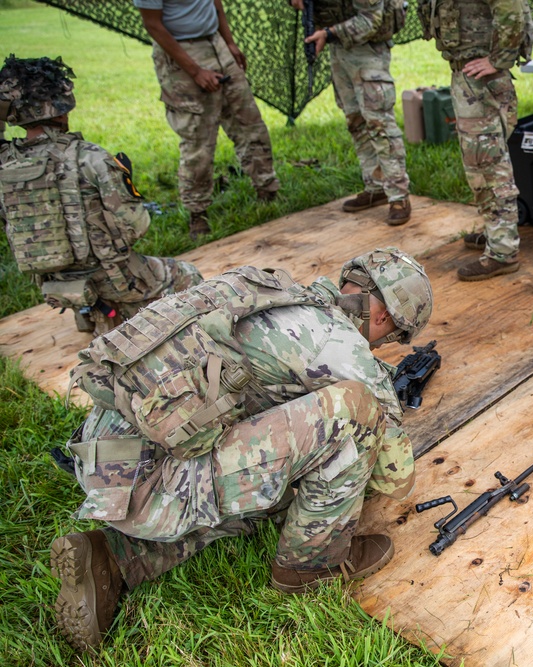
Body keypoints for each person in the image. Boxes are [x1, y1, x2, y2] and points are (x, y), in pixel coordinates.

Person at [48, 247, 433, 652]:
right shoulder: (338, 341)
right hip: (150, 481)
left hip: (104, 460)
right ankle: (310, 567)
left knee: (281, 459)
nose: (381, 345)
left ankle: (114, 557)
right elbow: (395, 478)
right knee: (355, 416)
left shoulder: (267, 290)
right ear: (385, 317)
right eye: (390, 339)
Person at [0, 55, 203, 335]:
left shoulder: (5, 166)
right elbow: (138, 225)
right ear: (62, 104)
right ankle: (135, 318)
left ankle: (95, 312)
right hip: (116, 279)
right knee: (188, 275)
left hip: (54, 285)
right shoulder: (88, 157)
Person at [135, 0, 280, 239]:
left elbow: (216, 3)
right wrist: (195, 71)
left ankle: (267, 189)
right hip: (182, 52)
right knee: (198, 138)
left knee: (249, 121)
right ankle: (198, 213)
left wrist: (229, 43)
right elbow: (152, 24)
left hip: (215, 42)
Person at [417, 0, 533, 281]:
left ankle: (503, 252)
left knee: (488, 164)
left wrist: (499, 59)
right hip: (469, 77)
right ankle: (498, 234)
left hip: (482, 79)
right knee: (480, 164)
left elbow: (511, 7)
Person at [294, 0, 413, 226]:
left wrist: (329, 33)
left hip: (368, 49)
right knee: (355, 120)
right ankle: (375, 186)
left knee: (379, 122)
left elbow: (370, 20)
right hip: (338, 48)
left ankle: (398, 195)